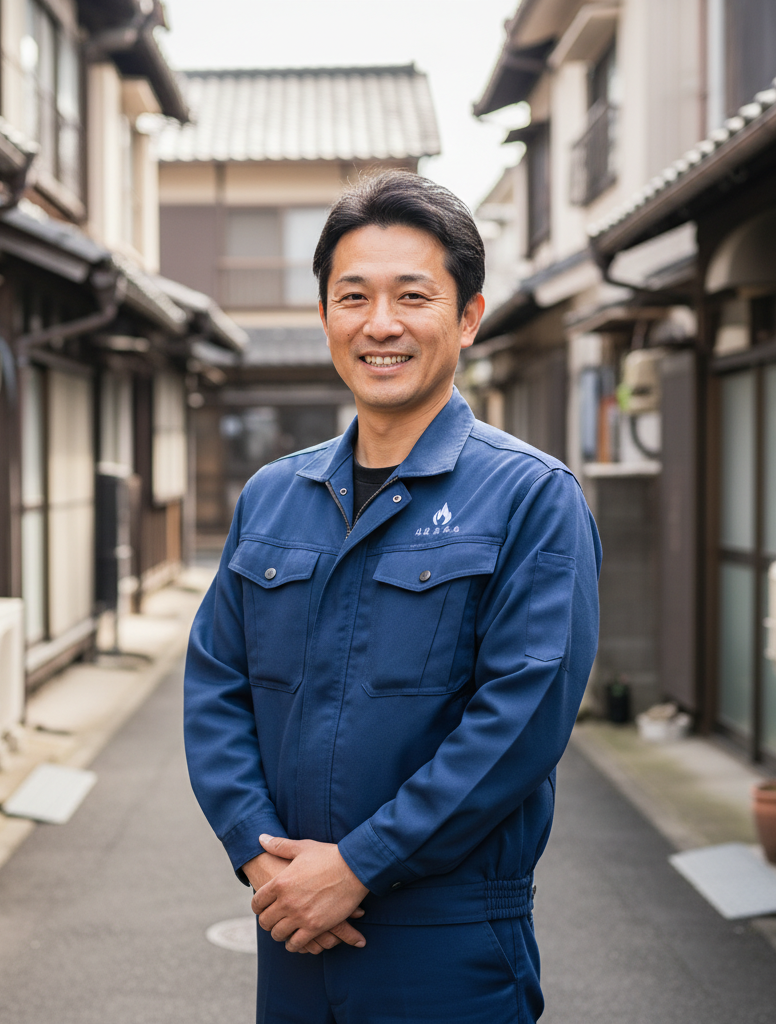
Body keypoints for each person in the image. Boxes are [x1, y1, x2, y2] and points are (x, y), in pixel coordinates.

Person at [184, 170, 601, 1023]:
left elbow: (519, 722)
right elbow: (214, 686)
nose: (380, 324)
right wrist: (263, 861)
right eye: (353, 296)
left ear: (469, 317)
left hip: (446, 938)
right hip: (292, 924)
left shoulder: (530, 497)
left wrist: (360, 865)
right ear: (326, 314)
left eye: (413, 296)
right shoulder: (273, 496)